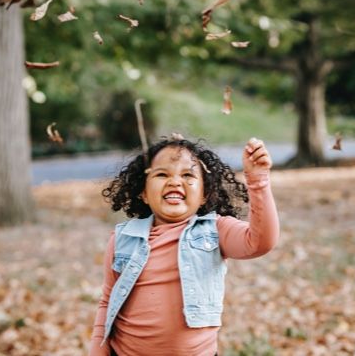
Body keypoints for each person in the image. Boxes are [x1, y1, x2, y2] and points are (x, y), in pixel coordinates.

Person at [89, 136, 279, 356]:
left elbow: (260, 242)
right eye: (162, 174)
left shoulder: (214, 230)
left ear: (204, 194)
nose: (175, 181)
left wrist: (258, 181)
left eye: (188, 175)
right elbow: (107, 302)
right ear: (143, 192)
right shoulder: (124, 237)